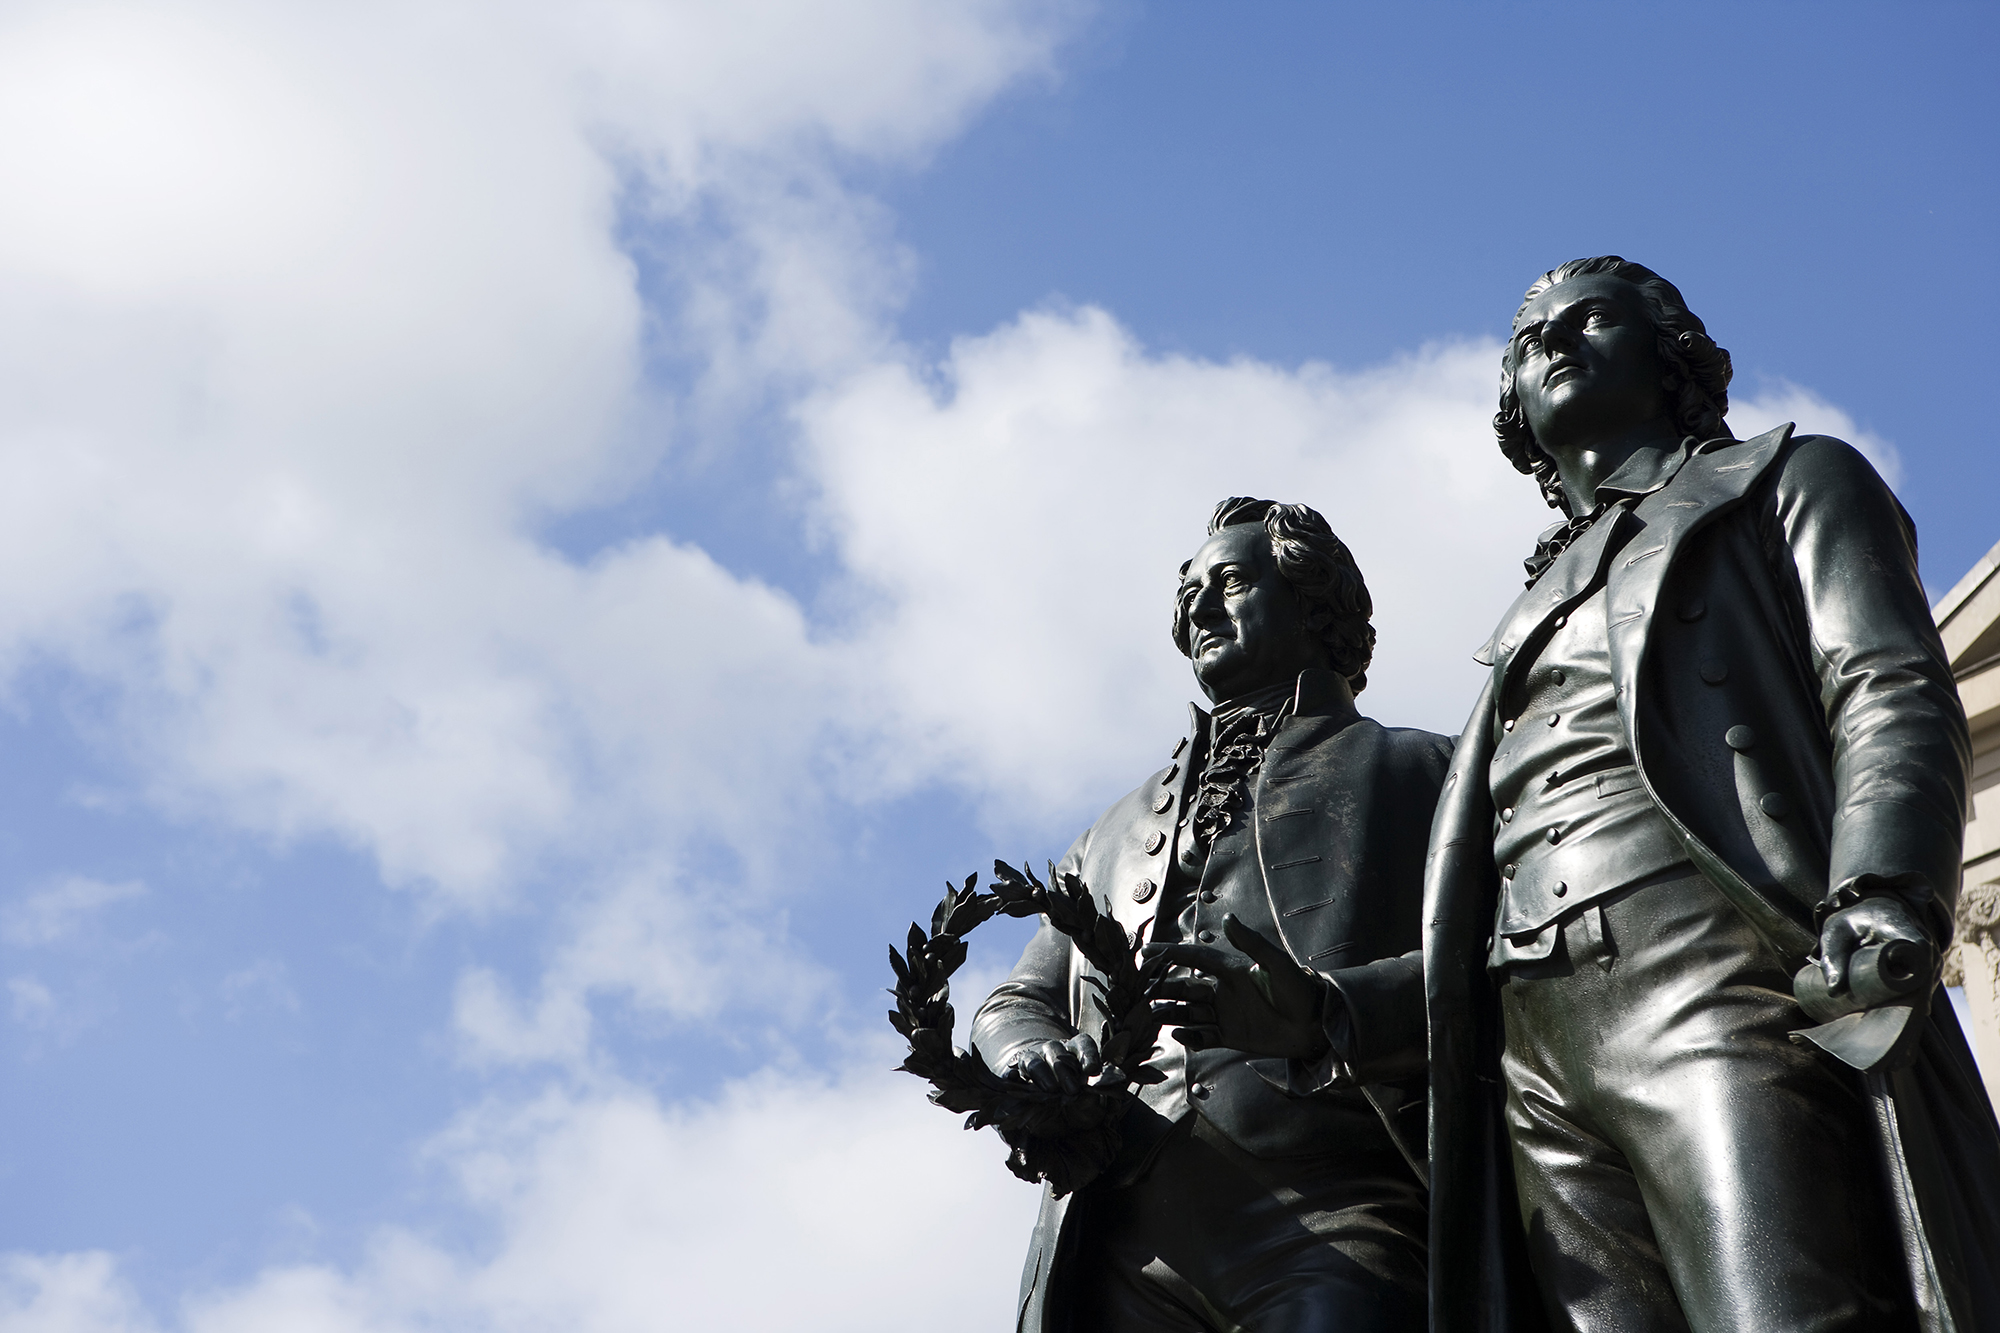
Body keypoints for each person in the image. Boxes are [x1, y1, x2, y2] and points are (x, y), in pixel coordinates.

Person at [1423, 255, 2000, 1333]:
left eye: (1586, 319)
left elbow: (1884, 686)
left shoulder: (1787, 479)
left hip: (1712, 971)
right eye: (1524, 340)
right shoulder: (1518, 616)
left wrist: (1880, 884)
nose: (1548, 343)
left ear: (1674, 356)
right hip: (1531, 1038)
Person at [972, 497, 1450, 1333]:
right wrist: (1032, 1057)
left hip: (1336, 1209)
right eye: (1185, 590)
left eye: (1229, 582)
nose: (1195, 606)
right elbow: (1017, 1001)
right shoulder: (1111, 830)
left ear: (1315, 600)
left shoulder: (1424, 768)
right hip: (1118, 1239)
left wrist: (1322, 1013)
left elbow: (1507, 971)